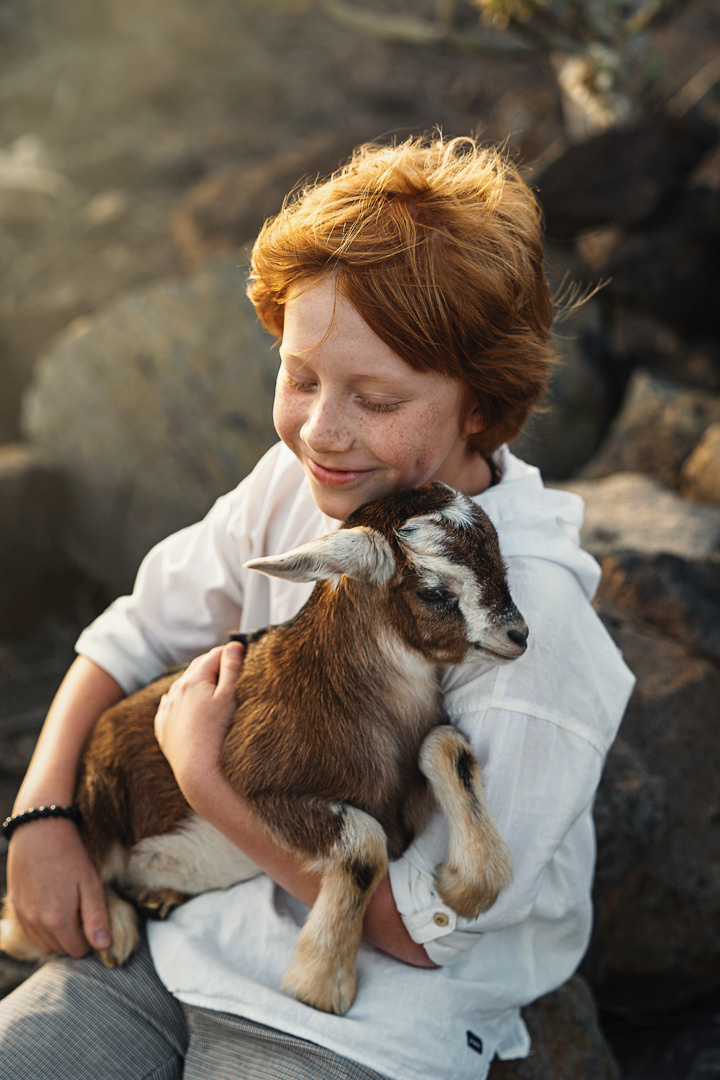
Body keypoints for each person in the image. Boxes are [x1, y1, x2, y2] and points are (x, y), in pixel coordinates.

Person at [0, 134, 634, 1080]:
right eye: (300, 377)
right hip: (173, 934)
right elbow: (132, 636)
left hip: (361, 1014)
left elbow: (421, 934)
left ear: (478, 404)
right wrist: (43, 816)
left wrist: (207, 778)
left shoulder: (537, 636)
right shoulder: (310, 482)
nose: (321, 429)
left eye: (375, 397)